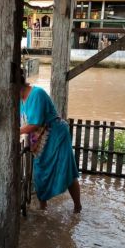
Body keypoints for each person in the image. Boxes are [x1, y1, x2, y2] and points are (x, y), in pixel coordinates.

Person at [20, 76, 82, 213]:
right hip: (40, 139)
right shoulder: (19, 101)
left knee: (67, 169)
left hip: (56, 134)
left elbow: (35, 123)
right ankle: (43, 208)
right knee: (40, 171)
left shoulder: (37, 94)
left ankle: (77, 206)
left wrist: (15, 132)